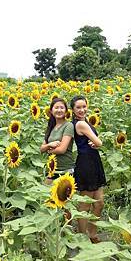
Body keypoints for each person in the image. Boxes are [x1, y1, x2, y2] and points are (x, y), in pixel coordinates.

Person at [70, 95, 106, 243]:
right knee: (85, 204)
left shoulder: (85, 122)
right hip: (86, 164)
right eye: (78, 107)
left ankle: (92, 233)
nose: (82, 110)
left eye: (84, 106)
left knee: (99, 203)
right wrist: (97, 143)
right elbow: (99, 142)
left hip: (93, 161)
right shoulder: (80, 124)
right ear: (72, 109)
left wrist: (95, 144)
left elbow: (94, 142)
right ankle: (82, 237)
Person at [40, 98, 75, 184]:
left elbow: (62, 149)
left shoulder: (68, 126)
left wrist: (47, 150)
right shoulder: (50, 127)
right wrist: (50, 145)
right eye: (56, 108)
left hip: (65, 169)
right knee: (47, 195)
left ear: (66, 111)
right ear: (51, 111)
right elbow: (41, 149)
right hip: (52, 168)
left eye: (62, 108)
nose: (59, 110)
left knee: (62, 197)